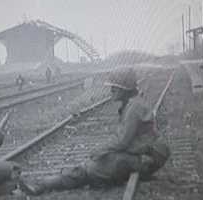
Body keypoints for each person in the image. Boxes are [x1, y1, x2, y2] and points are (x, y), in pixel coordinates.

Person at [19, 68, 170, 195]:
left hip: (144, 159)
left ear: (124, 89)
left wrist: (100, 150)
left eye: (114, 87)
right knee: (97, 164)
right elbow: (126, 140)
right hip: (145, 156)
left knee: (88, 169)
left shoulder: (133, 108)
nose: (111, 90)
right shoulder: (134, 103)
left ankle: (42, 186)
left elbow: (122, 141)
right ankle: (47, 183)